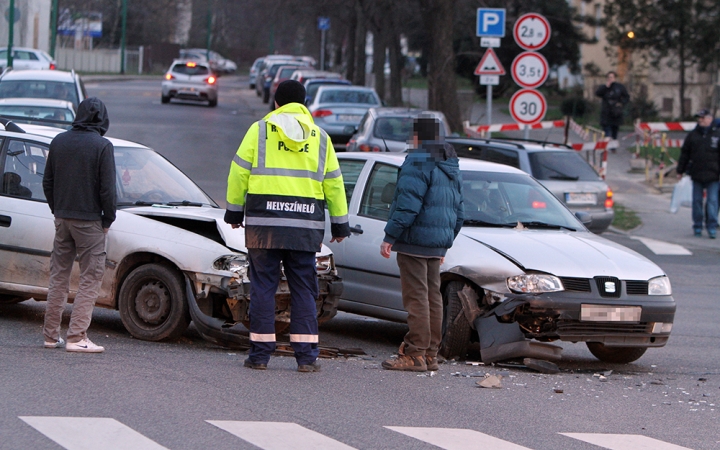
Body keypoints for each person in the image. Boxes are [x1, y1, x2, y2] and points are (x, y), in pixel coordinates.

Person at [224, 80, 350, 372]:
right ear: (304, 103)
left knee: (263, 288)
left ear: (277, 103)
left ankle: (259, 356)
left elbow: (238, 173)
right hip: (304, 227)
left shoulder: (260, 131)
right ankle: (306, 358)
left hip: (263, 225)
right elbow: (334, 184)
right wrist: (340, 225)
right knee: (304, 290)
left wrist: (233, 213)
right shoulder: (320, 137)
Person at [379, 116, 464, 372]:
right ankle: (430, 355)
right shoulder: (450, 164)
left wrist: (390, 236)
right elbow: (459, 211)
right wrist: (446, 243)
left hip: (414, 240)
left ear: (419, 137)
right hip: (436, 243)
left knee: (416, 298)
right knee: (432, 298)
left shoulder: (419, 160)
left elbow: (408, 205)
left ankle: (415, 353)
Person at [42, 97, 116, 352]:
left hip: (62, 219)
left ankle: (51, 336)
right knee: (90, 277)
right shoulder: (102, 146)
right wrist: (108, 219)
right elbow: (108, 189)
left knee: (59, 276)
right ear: (102, 118)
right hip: (90, 221)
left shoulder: (59, 141)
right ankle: (76, 337)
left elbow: (47, 182)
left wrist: (57, 209)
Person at [676, 109, 720, 238]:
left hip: (714, 174)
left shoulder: (717, 134)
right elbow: (685, 153)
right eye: (699, 118)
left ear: (709, 119)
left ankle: (711, 226)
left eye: (702, 117)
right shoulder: (693, 135)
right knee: (696, 201)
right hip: (697, 173)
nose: (700, 120)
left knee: (712, 201)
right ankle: (697, 226)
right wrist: (680, 170)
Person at [595, 71, 630, 150]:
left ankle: (613, 146)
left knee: (614, 130)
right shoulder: (604, 88)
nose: (610, 79)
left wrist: (621, 103)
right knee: (607, 130)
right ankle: (607, 144)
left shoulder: (619, 87)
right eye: (608, 77)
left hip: (616, 113)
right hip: (606, 112)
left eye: (611, 77)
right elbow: (597, 93)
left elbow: (626, 97)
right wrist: (606, 87)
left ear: (615, 78)